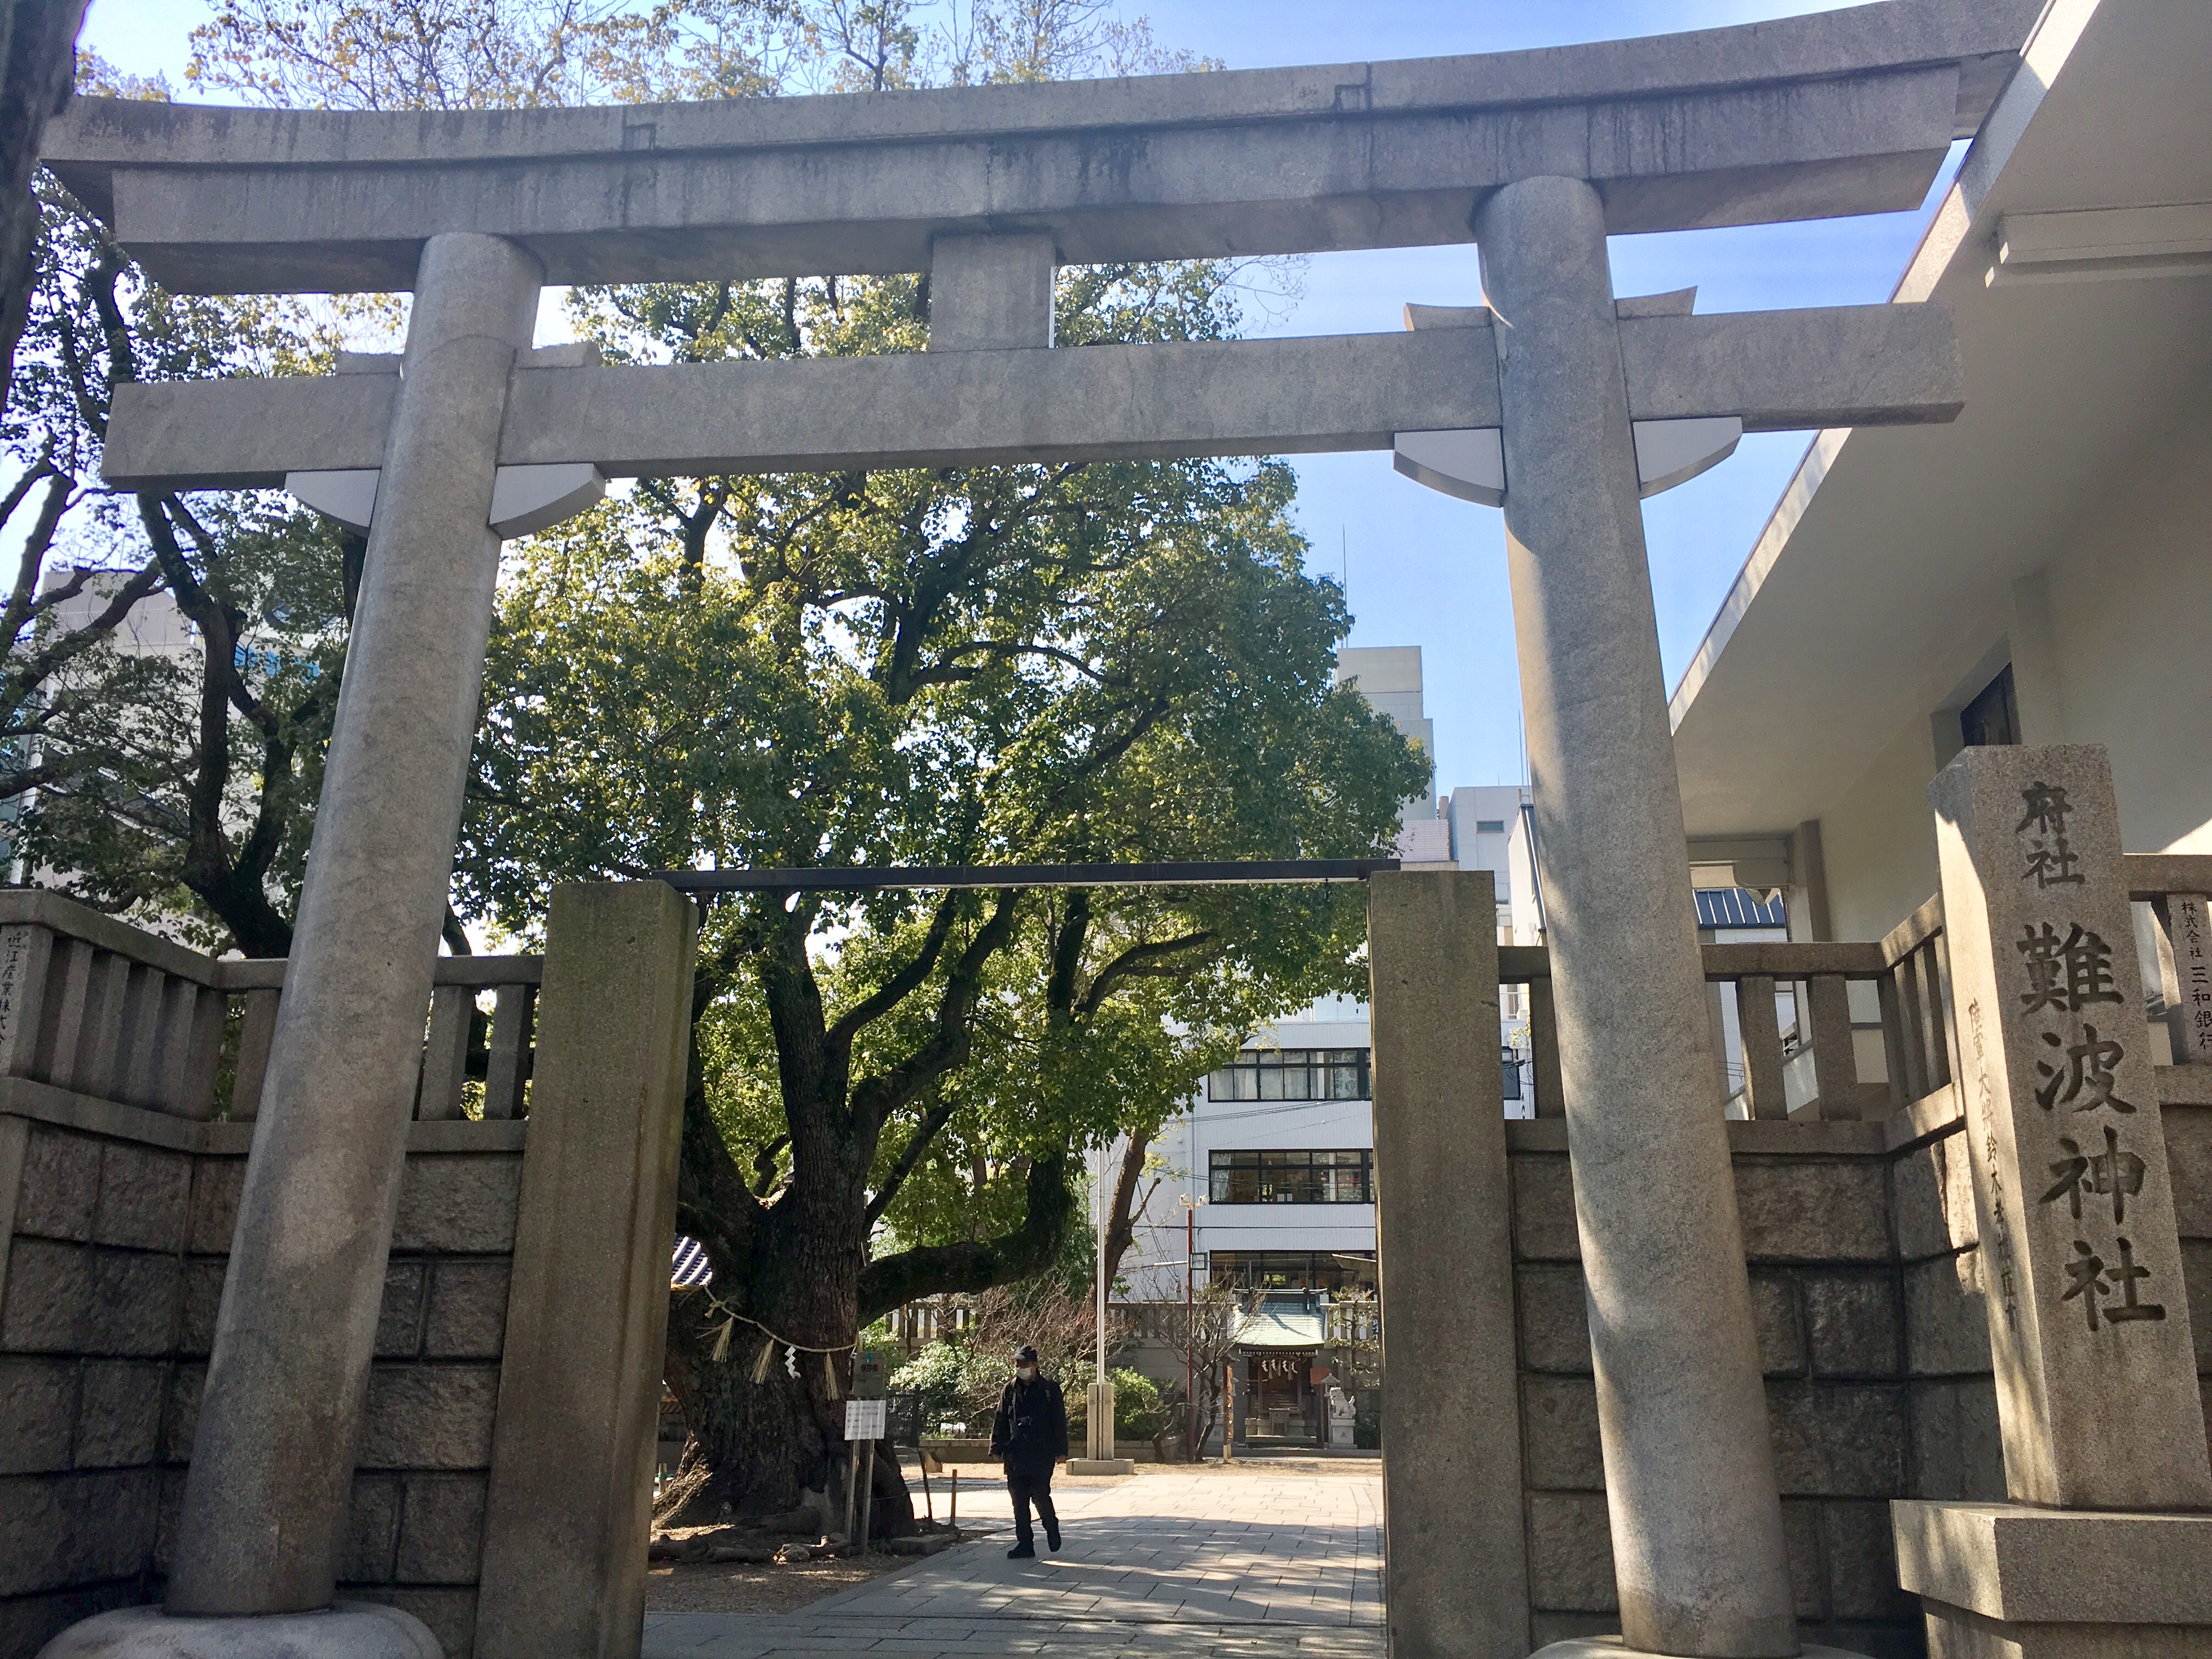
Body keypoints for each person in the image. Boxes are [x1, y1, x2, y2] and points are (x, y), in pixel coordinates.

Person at [988, 1342, 1068, 1558]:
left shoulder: (1050, 1390)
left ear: (1034, 1366)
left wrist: (1061, 1450)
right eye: (1017, 1363)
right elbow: (1001, 1419)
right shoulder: (1010, 1389)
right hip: (1016, 1454)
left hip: (1041, 1453)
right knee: (1019, 1502)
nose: (1019, 1367)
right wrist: (996, 1447)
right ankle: (1025, 1543)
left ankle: (1051, 1527)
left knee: (1040, 1495)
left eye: (1023, 1364)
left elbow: (1059, 1421)